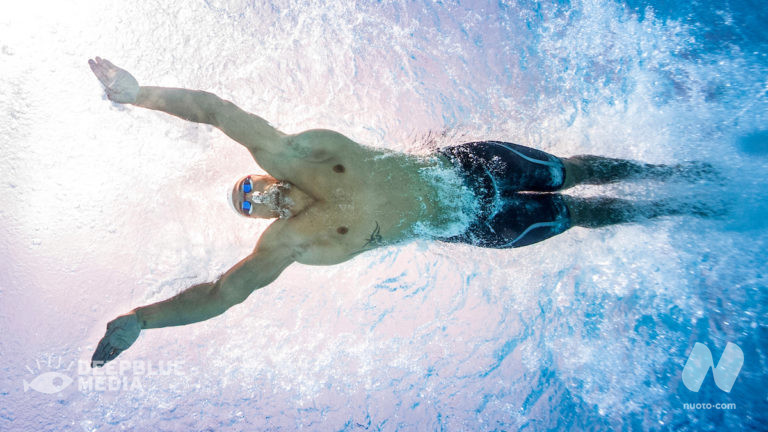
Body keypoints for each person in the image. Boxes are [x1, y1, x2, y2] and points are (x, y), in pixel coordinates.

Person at [87, 57, 718, 367]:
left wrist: (139, 93)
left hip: (472, 168)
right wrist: (144, 320)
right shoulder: (291, 245)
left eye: (252, 187)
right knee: (578, 217)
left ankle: (673, 177)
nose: (261, 199)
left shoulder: (299, 152)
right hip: (477, 227)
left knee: (570, 173)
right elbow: (223, 295)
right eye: (250, 208)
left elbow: (216, 110)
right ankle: (680, 212)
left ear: (263, 172)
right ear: (259, 221)